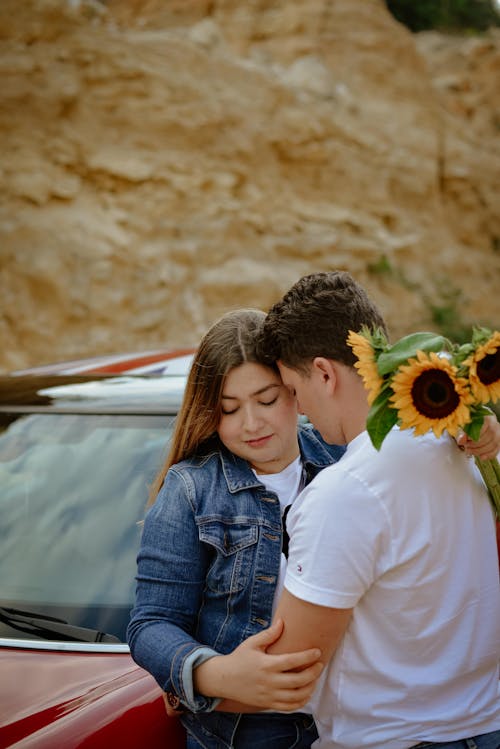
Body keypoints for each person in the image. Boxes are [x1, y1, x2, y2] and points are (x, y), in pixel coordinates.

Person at [248, 271, 500, 749]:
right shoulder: (464, 431)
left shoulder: (349, 492)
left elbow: (288, 672)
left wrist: (192, 683)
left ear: (324, 372)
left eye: (293, 390)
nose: (298, 411)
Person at [127, 308, 345, 749]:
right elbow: (151, 622)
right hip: (244, 734)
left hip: (353, 723)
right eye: (229, 409)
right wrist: (215, 674)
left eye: (266, 400)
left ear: (296, 390)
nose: (251, 423)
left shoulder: (346, 463)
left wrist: (479, 435)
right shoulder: (191, 489)